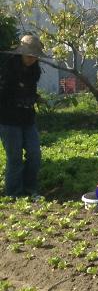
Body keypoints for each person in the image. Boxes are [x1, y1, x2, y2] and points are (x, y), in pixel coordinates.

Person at [0, 35, 45, 198]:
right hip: (8, 119)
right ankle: (14, 193)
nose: (32, 59)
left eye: (35, 56)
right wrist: (22, 97)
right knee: (15, 158)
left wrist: (36, 98)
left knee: (35, 154)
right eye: (29, 56)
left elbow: (30, 90)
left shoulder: (35, 70)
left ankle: (30, 188)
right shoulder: (7, 68)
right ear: (21, 54)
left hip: (27, 118)